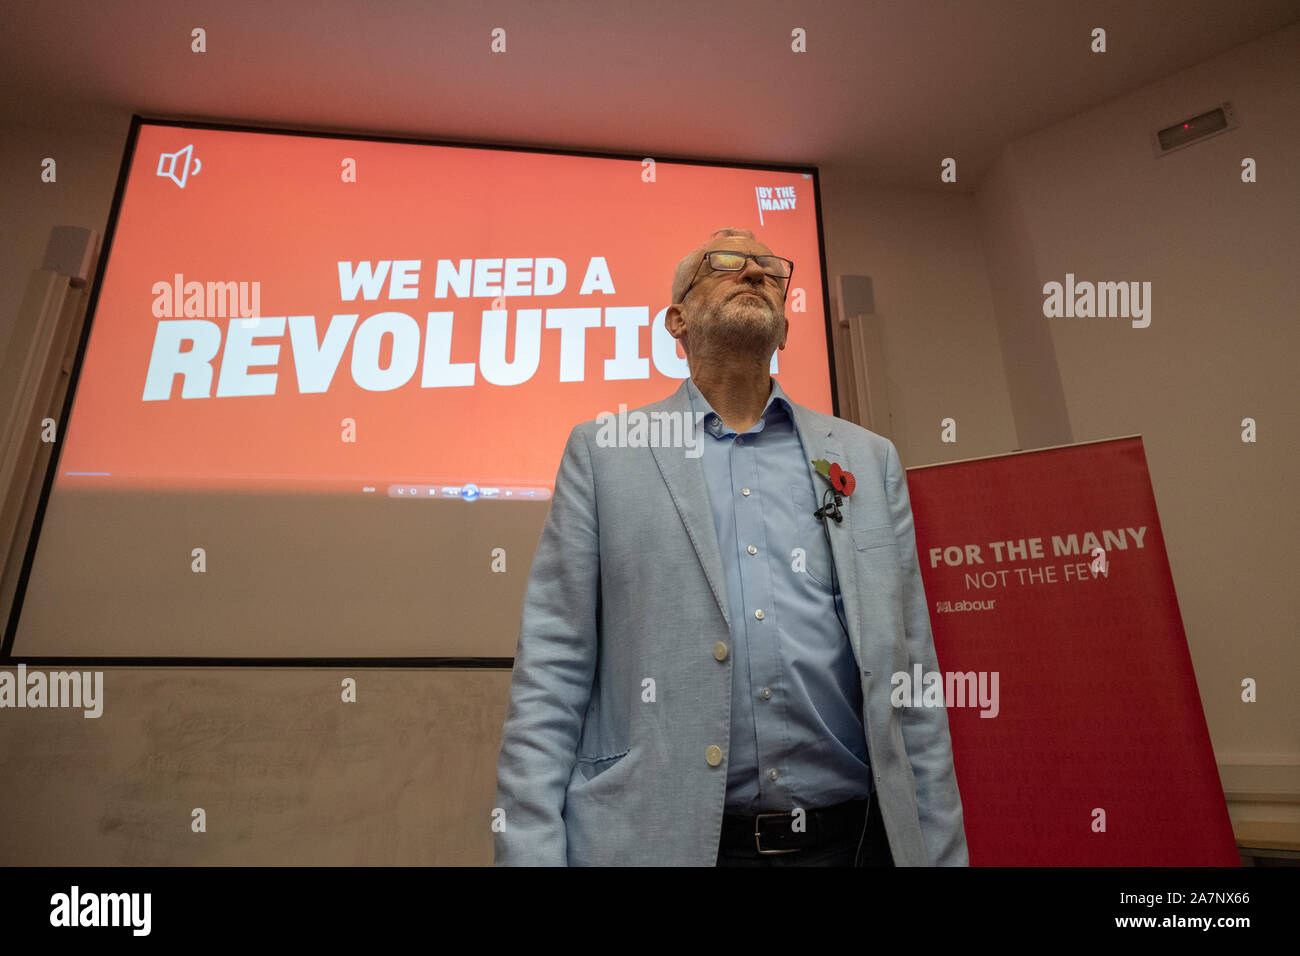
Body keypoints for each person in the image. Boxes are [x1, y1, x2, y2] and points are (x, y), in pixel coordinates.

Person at [493, 227, 968, 866]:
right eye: (725, 262)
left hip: (854, 843)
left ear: (785, 330)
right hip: (663, 841)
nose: (753, 272)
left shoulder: (866, 459)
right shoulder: (605, 454)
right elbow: (554, 665)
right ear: (677, 320)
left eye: (769, 268)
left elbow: (911, 671)